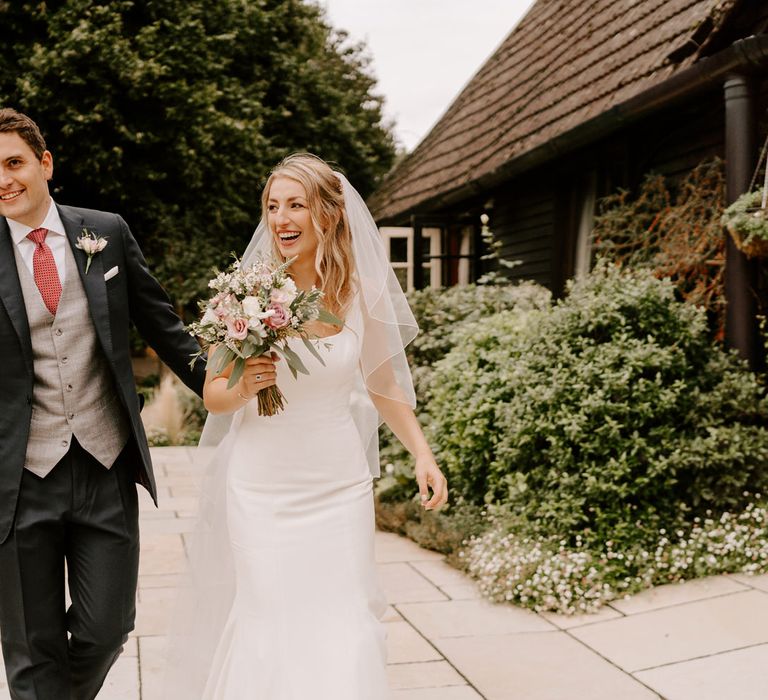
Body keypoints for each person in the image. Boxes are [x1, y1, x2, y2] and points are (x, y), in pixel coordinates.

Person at [166, 153, 448, 699]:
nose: (281, 218)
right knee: (270, 617)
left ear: (329, 214)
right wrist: (245, 385)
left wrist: (421, 452)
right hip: (261, 486)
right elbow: (214, 397)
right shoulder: (247, 293)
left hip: (338, 485)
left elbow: (383, 387)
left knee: (343, 617)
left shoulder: (361, 292)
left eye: (296, 204)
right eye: (273, 206)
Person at [0, 108, 207, 700]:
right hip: (17, 479)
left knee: (108, 627)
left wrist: (232, 393)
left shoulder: (105, 232)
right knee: (31, 646)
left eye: (14, 163)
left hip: (103, 462)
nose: (3, 180)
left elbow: (164, 327)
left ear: (44, 163)